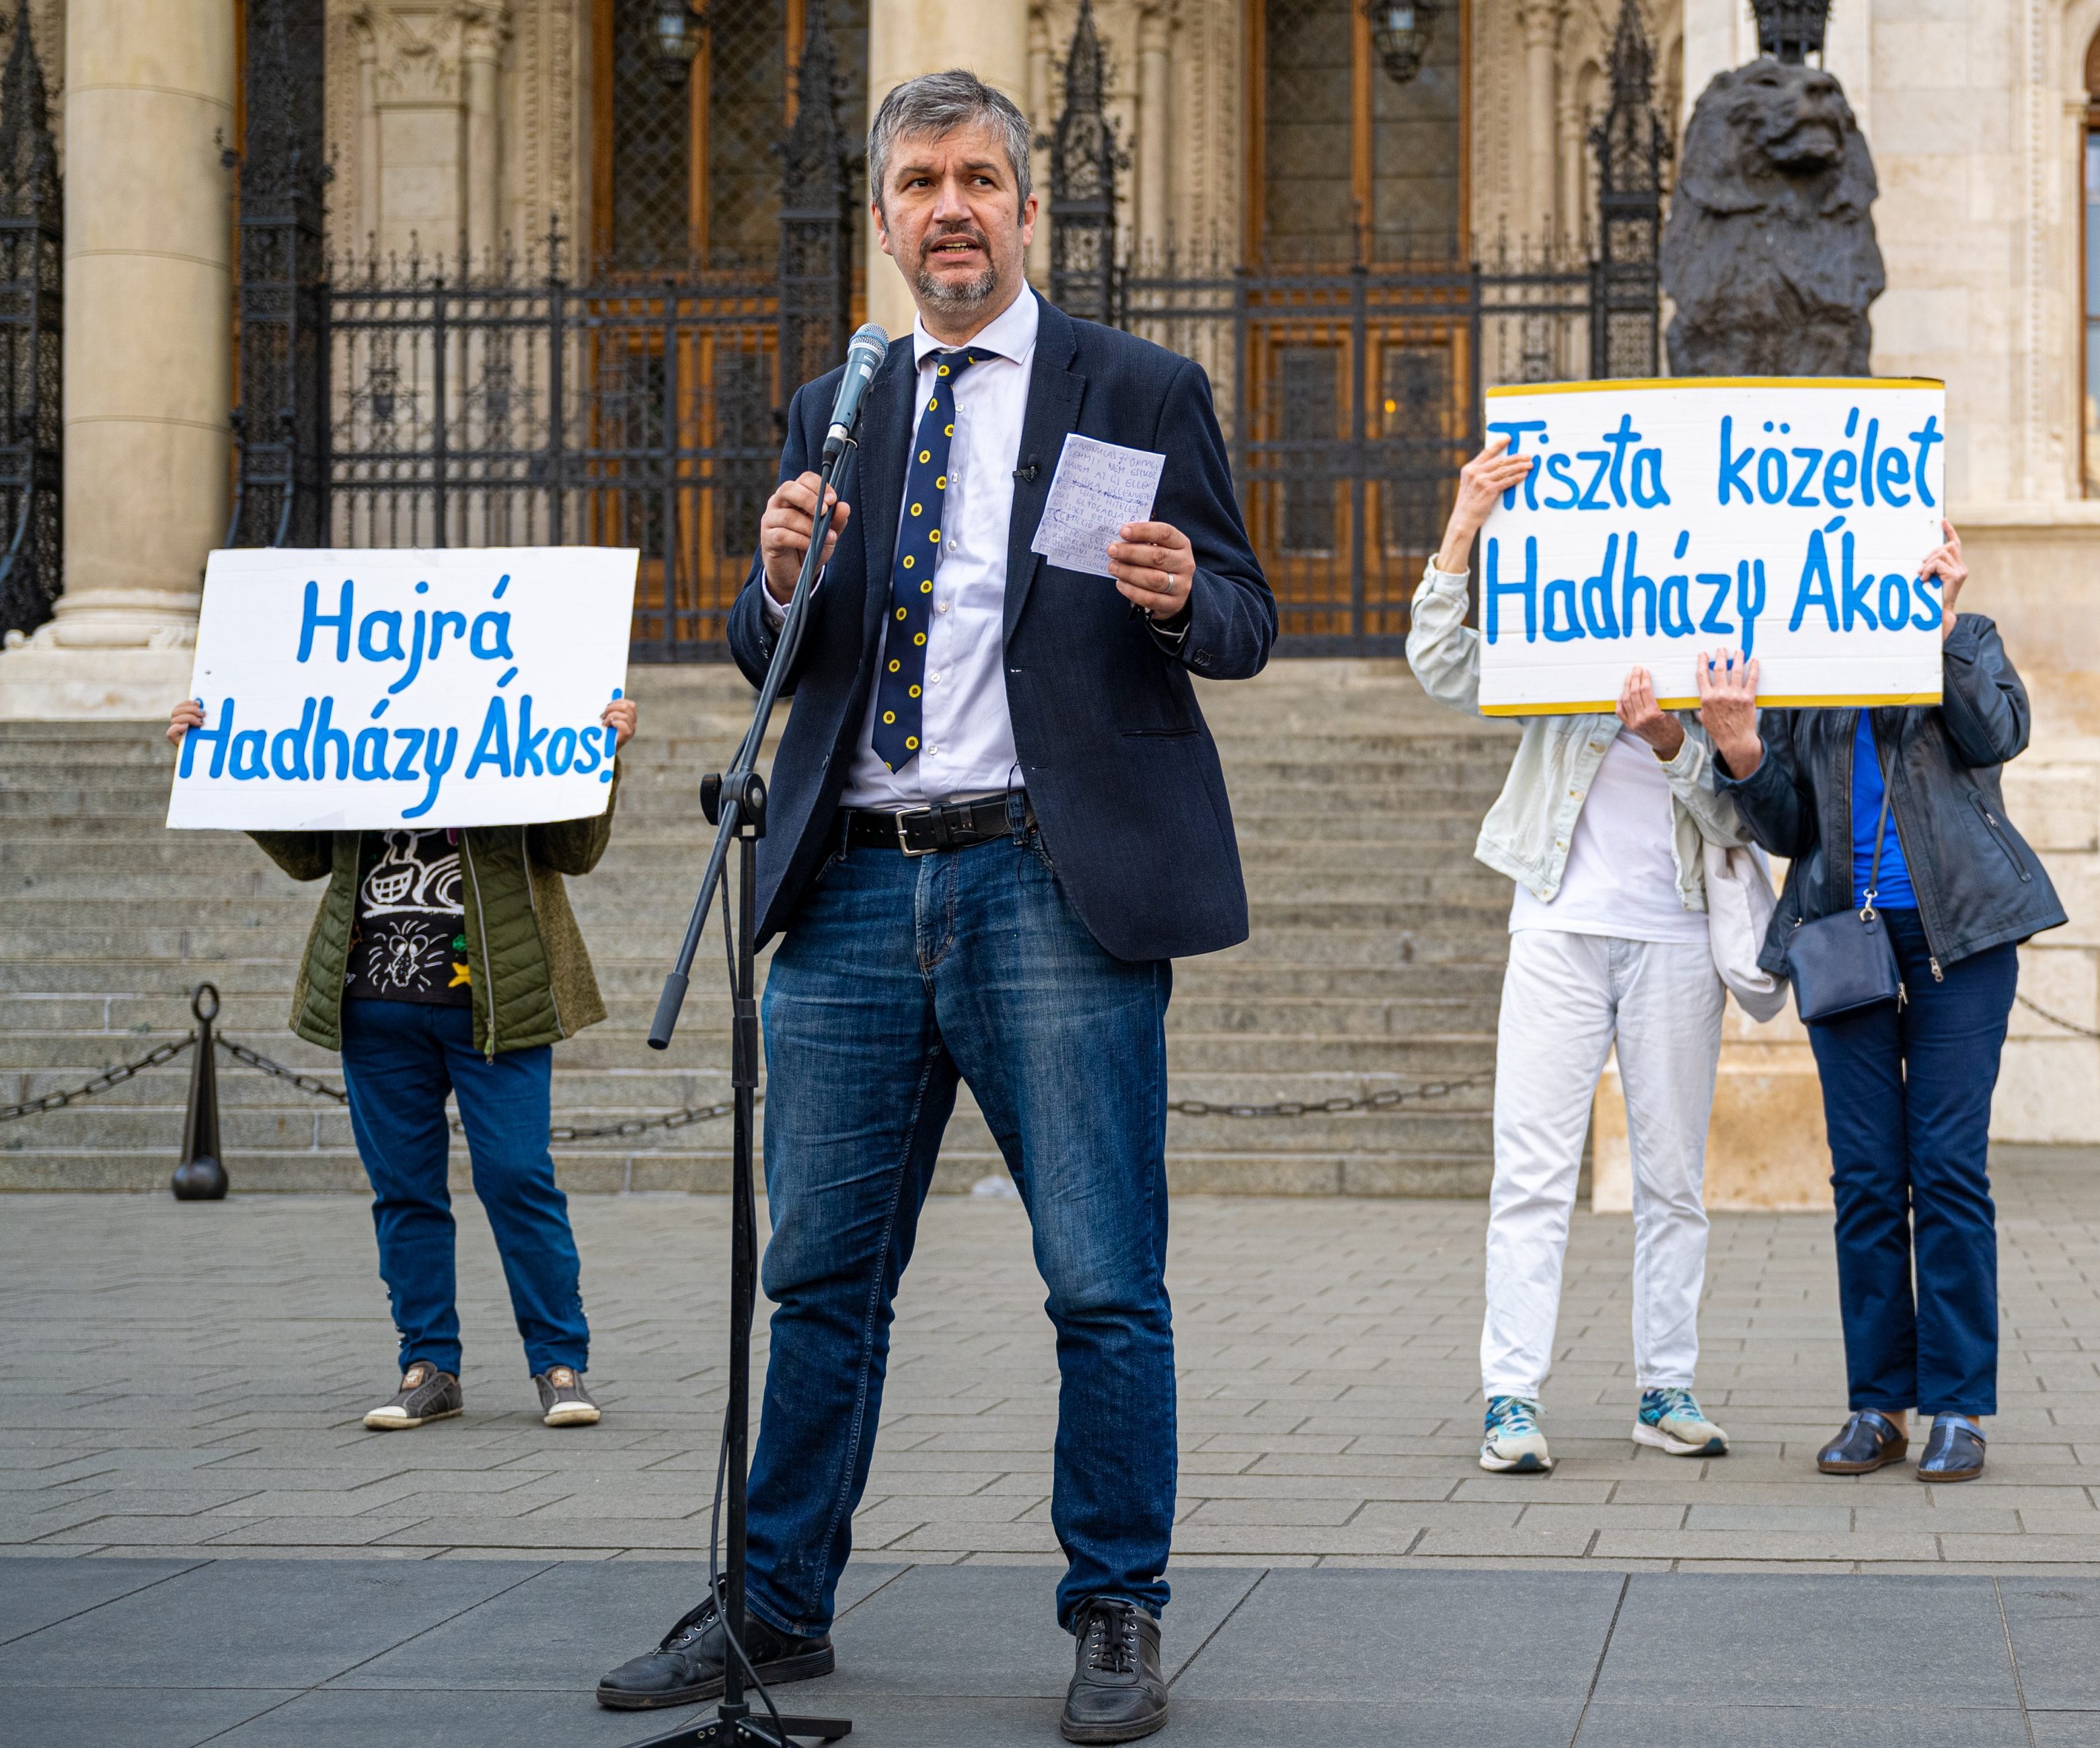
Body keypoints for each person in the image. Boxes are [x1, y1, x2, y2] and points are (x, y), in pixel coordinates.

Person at [590, 71, 1271, 1746]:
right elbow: (777, 666)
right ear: (886, 216)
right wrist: (765, 582)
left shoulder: (1138, 386)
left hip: (1050, 881)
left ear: (1027, 207)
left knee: (1102, 1278)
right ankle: (777, 1601)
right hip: (846, 895)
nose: (948, 207)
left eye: (977, 178)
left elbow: (1246, 619)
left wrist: (1188, 597)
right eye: (917, 182)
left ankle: (1116, 1609)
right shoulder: (841, 397)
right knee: (817, 1276)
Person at [1409, 437, 1753, 1476]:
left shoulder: (1730, 638)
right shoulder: (1564, 627)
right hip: (1557, 922)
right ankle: (1510, 1398)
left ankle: (1666, 1386)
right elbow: (1442, 665)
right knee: (1531, 1168)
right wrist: (1464, 526)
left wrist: (1676, 740)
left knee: (1672, 1178)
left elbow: (1747, 803)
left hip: (1677, 930)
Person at [165, 694, 638, 1435]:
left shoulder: (518, 709)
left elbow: (574, 852)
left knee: (517, 1176)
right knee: (405, 1190)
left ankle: (557, 1361)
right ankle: (428, 1366)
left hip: (497, 999)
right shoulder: (360, 719)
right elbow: (305, 857)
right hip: (372, 1003)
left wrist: (601, 758)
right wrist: (217, 763)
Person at [1698, 525, 2062, 1484]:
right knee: (1864, 1177)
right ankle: (1877, 1404)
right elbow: (1784, 826)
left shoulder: (1964, 634)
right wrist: (1738, 749)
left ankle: (1955, 1405)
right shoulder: (1798, 664)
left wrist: (1935, 626)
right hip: (1841, 941)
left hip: (1963, 940)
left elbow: (2000, 734)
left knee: (1944, 1169)